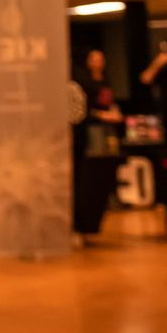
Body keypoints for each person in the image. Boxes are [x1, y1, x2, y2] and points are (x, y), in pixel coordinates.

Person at [71, 49, 122, 237]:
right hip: (92, 133)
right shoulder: (83, 82)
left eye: (101, 58)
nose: (98, 62)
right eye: (94, 59)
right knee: (91, 173)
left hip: (108, 133)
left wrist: (115, 113)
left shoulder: (106, 81)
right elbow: (84, 110)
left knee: (105, 170)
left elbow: (109, 102)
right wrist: (102, 115)